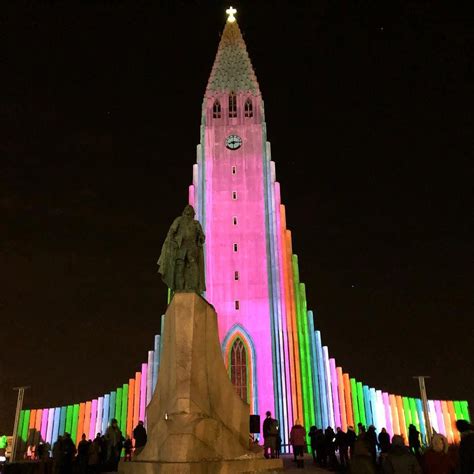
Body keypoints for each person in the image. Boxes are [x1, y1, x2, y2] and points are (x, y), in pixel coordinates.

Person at [157, 204, 206, 293]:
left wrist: (201, 238)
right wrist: (172, 241)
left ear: (193, 213)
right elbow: (172, 231)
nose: (188, 209)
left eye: (190, 209)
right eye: (186, 209)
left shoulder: (196, 223)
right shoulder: (179, 220)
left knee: (193, 265)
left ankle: (193, 287)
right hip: (181, 246)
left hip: (192, 247)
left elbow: (202, 235)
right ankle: (179, 287)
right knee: (180, 266)